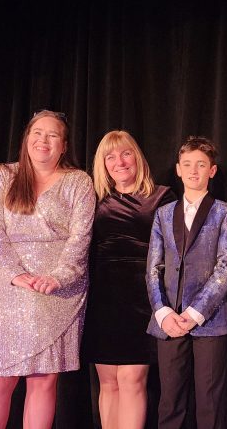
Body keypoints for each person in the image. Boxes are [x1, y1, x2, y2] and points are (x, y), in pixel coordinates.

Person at [0, 110, 95, 429]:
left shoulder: (79, 181)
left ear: (64, 146)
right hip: (8, 287)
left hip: (57, 292)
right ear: (27, 138)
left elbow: (80, 237)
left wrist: (58, 277)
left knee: (43, 381)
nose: (44, 140)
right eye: (37, 133)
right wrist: (15, 273)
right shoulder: (2, 175)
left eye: (53, 135)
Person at [145, 136, 227, 429]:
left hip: (210, 320)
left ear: (212, 170)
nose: (193, 170)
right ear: (178, 169)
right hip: (170, 321)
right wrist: (163, 312)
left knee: (211, 401)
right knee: (170, 401)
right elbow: (153, 268)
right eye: (187, 164)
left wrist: (195, 312)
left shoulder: (224, 211)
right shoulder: (163, 214)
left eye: (200, 164)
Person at [83, 130, 175, 429]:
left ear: (137, 157)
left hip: (143, 297)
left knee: (132, 379)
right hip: (104, 299)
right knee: (108, 382)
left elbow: (180, 244)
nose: (119, 162)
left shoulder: (162, 196)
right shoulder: (96, 200)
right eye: (110, 157)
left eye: (125, 153)